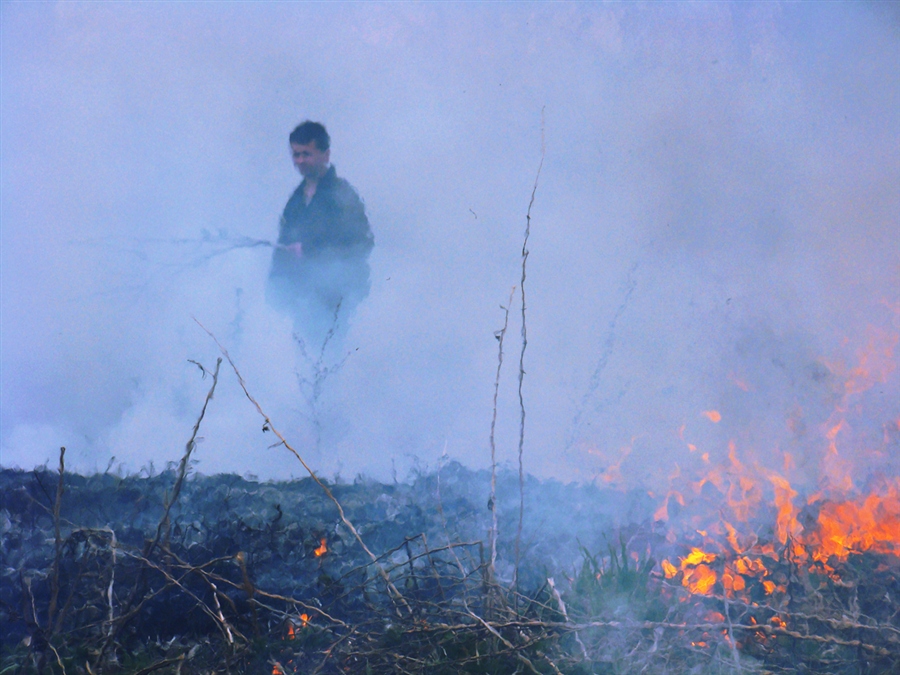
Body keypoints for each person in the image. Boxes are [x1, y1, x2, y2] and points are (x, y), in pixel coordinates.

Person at [266, 121, 374, 348]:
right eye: (296, 154)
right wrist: (274, 290)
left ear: (326, 155)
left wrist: (310, 250)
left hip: (337, 303)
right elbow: (282, 246)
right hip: (301, 303)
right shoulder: (295, 200)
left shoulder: (342, 194)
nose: (300, 161)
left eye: (306, 154)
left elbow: (361, 243)